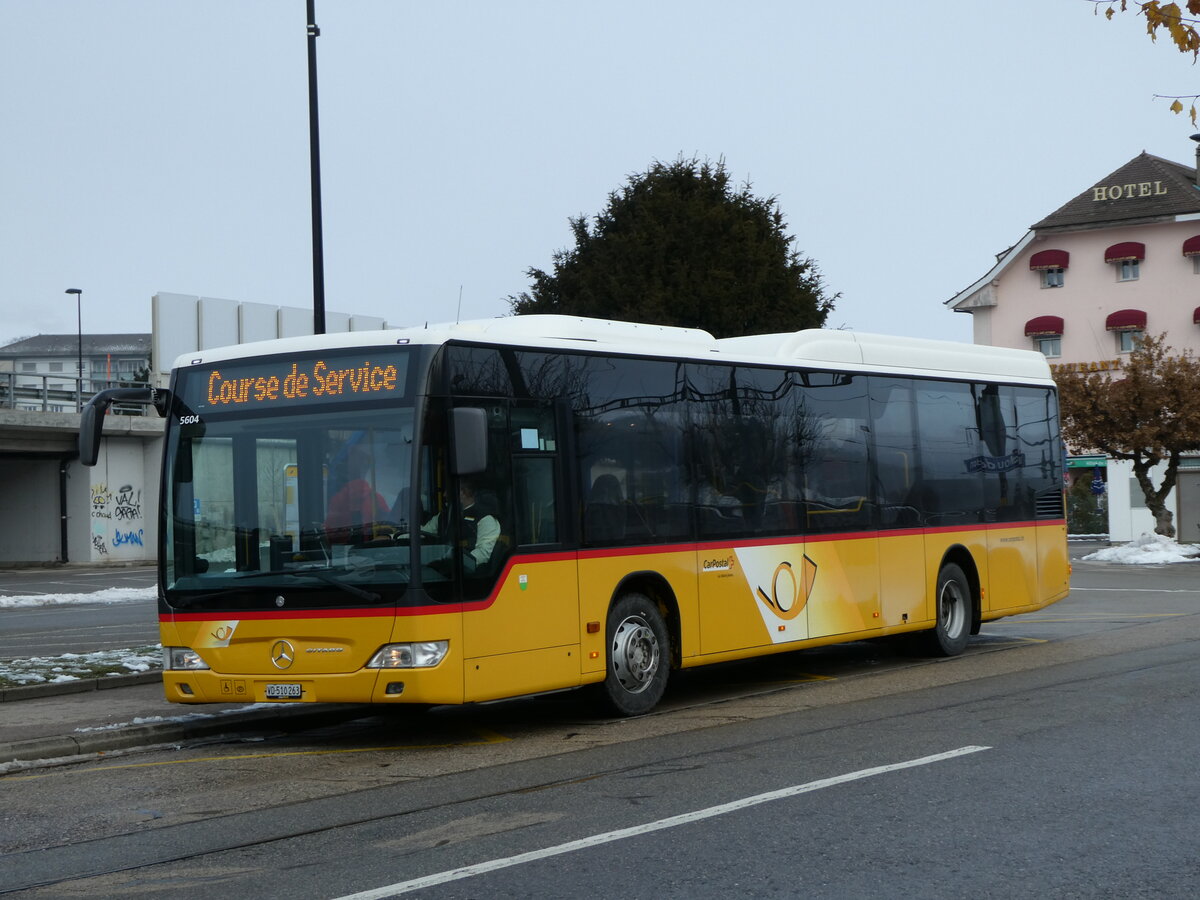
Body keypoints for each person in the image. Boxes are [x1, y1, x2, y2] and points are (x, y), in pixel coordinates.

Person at [421, 477, 500, 573]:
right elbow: (423, 532)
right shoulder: (444, 516)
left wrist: (456, 564)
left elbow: (482, 554)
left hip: (468, 576)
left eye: (448, 491)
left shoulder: (486, 518)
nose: (445, 495)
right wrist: (400, 534)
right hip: (444, 569)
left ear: (462, 493)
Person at [324, 446, 390, 542]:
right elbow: (388, 530)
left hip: (343, 553)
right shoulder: (376, 498)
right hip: (373, 552)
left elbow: (330, 535)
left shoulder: (337, 500)